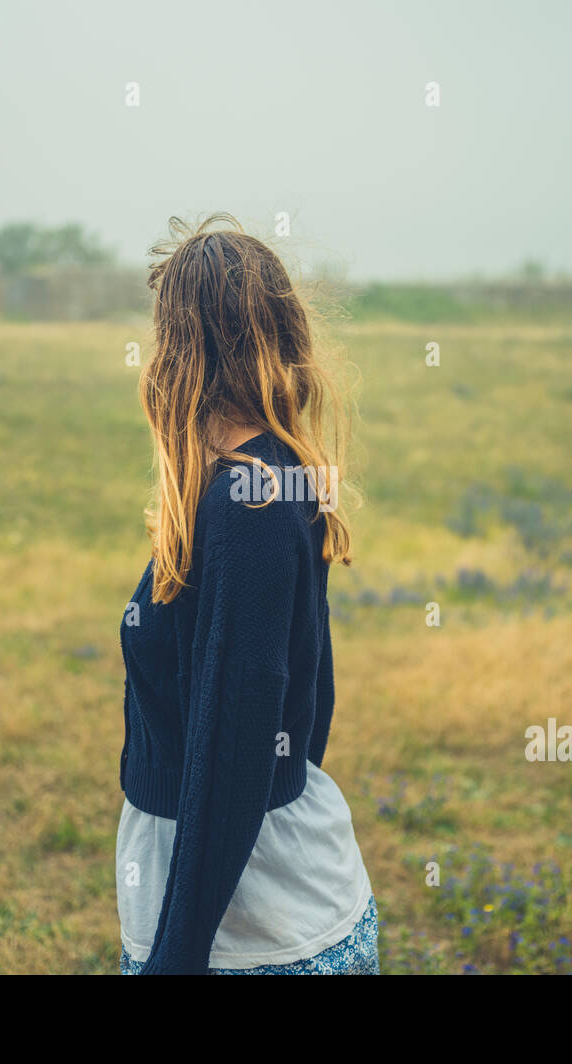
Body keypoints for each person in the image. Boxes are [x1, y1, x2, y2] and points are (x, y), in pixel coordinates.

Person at [116, 214, 377, 974]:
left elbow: (239, 745)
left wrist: (176, 957)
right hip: (252, 916)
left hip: (259, 942)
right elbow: (306, 697)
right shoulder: (269, 478)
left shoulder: (249, 506)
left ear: (179, 352)